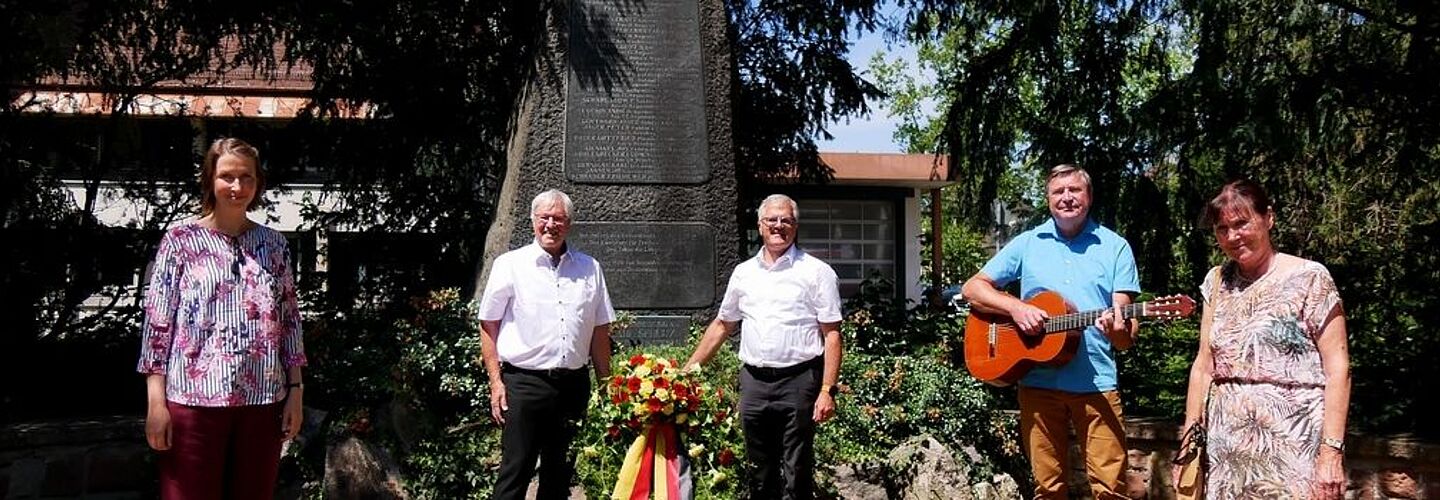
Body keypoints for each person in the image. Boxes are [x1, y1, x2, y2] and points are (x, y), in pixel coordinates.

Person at [138, 138, 307, 499]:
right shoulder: (180, 241)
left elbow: (289, 320)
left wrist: (295, 391)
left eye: (246, 177)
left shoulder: (274, 244)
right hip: (193, 403)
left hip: (263, 401)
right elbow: (157, 324)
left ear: (258, 182)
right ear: (210, 180)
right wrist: (156, 403)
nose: (237, 186)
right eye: (227, 176)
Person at [961, 164, 1140, 499]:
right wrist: (1016, 307)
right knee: (1048, 488)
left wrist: (1114, 328)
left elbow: (1125, 336)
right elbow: (973, 289)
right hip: (1037, 383)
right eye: (1059, 192)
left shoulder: (1115, 247)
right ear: (1048, 199)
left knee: (1110, 489)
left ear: (1089, 196)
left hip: (1096, 384)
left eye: (1075, 190)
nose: (1067, 198)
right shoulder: (1028, 243)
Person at [1172, 179, 1349, 499]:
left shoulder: (1310, 277)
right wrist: (1188, 444)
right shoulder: (1216, 281)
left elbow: (1338, 368)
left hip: (1294, 449)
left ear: (1268, 218)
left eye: (1241, 224)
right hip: (1226, 451)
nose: (1231, 236)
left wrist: (1331, 453)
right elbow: (1203, 366)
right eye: (1222, 229)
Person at [686, 194, 843, 500]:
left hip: (799, 382)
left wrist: (827, 389)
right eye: (772, 220)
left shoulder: (817, 272)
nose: (778, 226)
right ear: (760, 225)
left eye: (786, 220)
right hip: (754, 382)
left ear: (795, 226)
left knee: (796, 470)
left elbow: (832, 335)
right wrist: (690, 369)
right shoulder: (744, 273)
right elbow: (722, 325)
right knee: (758, 468)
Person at [478, 189, 616, 500]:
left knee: (559, 475)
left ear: (569, 224)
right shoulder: (510, 265)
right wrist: (496, 382)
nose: (551, 225)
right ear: (533, 221)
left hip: (573, 386)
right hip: (524, 384)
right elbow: (489, 324)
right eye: (545, 218)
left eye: (559, 219)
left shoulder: (589, 268)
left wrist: (606, 383)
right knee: (515, 472)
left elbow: (599, 330)